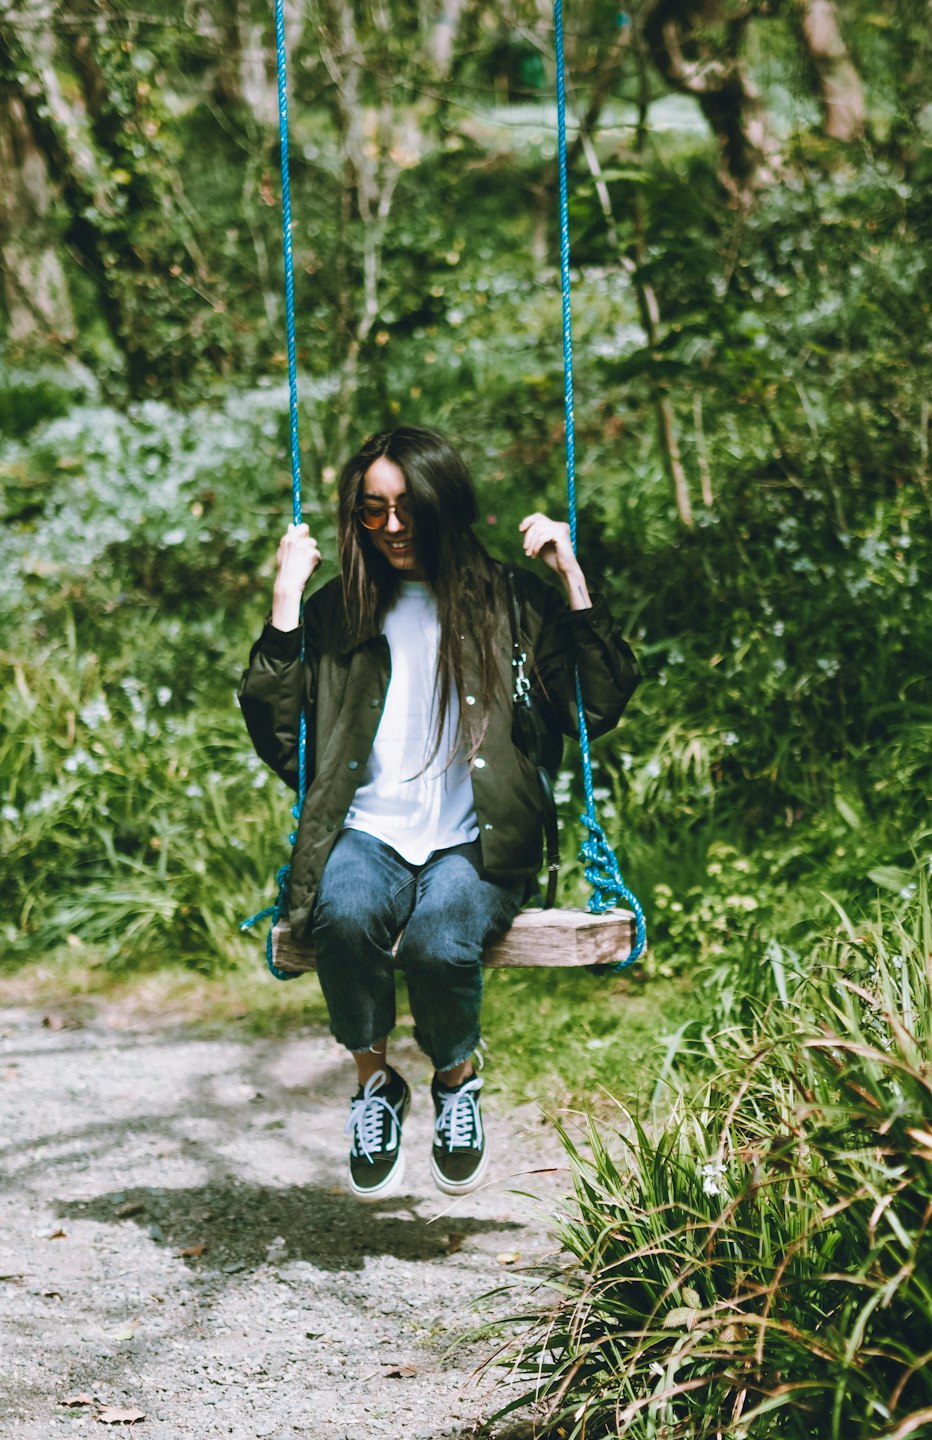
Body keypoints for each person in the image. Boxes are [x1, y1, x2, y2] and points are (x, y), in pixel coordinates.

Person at [239, 426, 638, 1201]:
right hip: (371, 831)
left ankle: (455, 1080)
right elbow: (283, 735)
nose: (392, 528)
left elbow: (596, 706)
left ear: (444, 505)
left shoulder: (511, 604)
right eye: (373, 512)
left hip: (478, 840)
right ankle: (375, 1085)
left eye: (408, 508)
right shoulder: (338, 613)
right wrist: (285, 602)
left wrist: (571, 579)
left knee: (439, 934)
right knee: (344, 913)